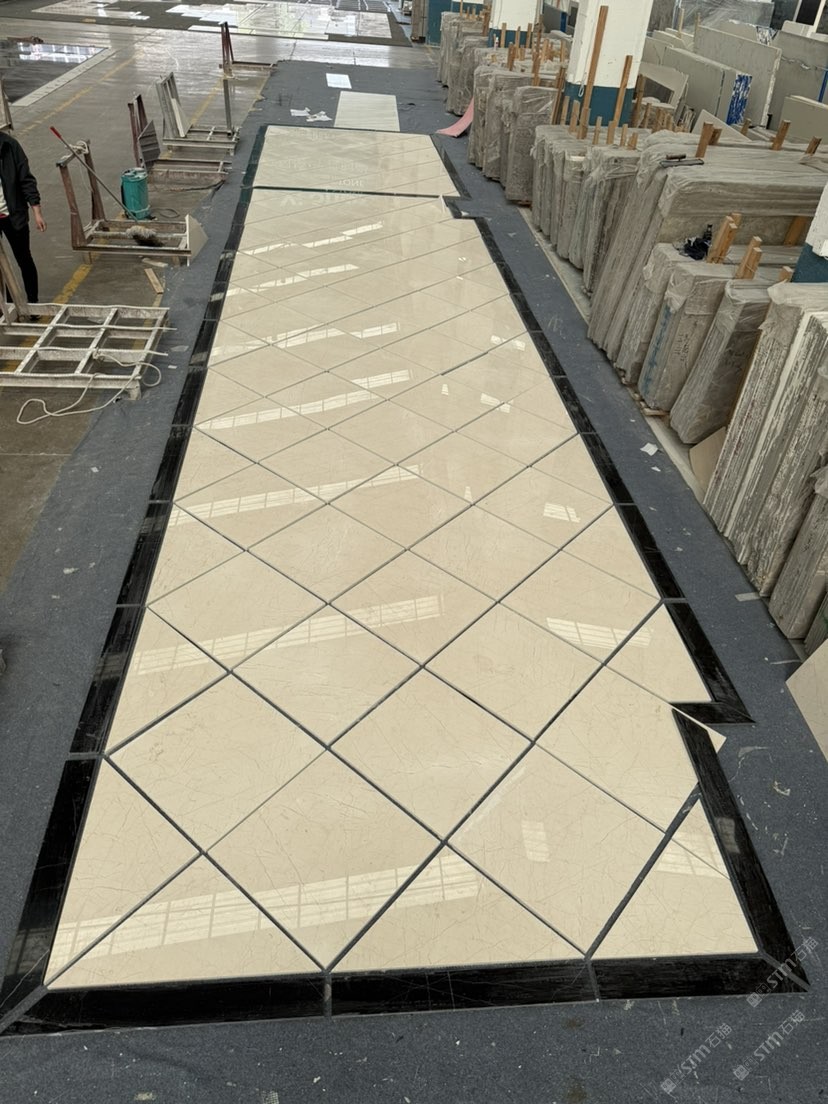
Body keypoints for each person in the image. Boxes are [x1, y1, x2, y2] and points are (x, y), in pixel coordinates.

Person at [0, 129, 46, 305]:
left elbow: (26, 180)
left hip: (13, 214)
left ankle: (33, 303)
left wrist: (37, 212)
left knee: (24, 259)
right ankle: (8, 303)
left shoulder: (10, 146)